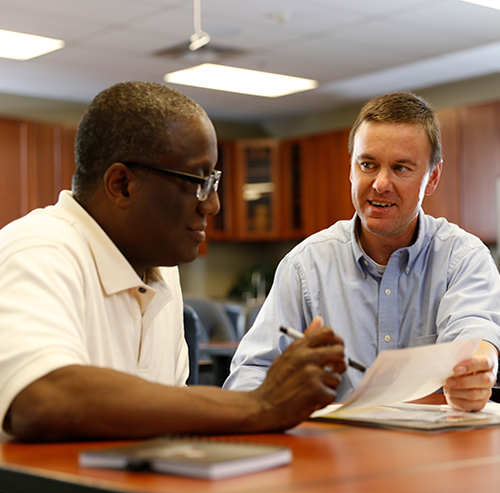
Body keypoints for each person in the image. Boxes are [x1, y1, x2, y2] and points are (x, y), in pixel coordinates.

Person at [0, 81, 347, 442]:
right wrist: (259, 405)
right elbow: (41, 399)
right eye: (197, 181)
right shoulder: (37, 251)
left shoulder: (162, 269)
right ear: (122, 185)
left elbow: (165, 416)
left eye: (212, 181)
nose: (212, 204)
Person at [224, 92, 500, 412]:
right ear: (352, 170)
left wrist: (475, 373)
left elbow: (475, 337)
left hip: (432, 449)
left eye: (401, 168)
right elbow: (249, 375)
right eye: (368, 164)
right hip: (332, 448)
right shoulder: (305, 266)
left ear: (432, 177)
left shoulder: (463, 258)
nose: (381, 184)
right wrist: (281, 394)